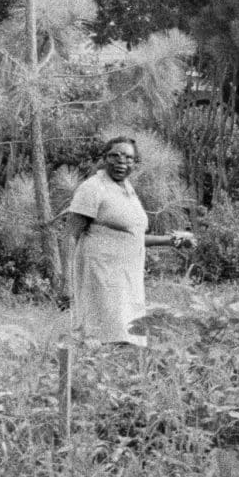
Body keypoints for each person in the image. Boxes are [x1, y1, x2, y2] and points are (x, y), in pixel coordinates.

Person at [64, 135, 193, 346]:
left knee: (127, 334)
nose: (121, 162)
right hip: (99, 276)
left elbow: (133, 237)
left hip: (126, 279)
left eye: (128, 158)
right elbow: (70, 234)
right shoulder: (93, 188)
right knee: (101, 336)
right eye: (115, 156)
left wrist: (172, 241)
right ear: (104, 158)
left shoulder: (128, 191)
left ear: (135, 162)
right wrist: (65, 280)